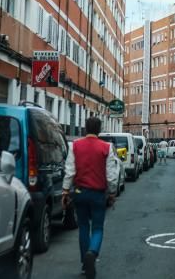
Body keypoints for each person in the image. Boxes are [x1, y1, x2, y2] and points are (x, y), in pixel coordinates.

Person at [62, 117, 119, 279]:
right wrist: (112, 192)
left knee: (83, 227)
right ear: (99, 130)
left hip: (80, 193)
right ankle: (92, 253)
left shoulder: (75, 146)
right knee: (98, 228)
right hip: (98, 194)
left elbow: (70, 171)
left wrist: (65, 191)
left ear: (85, 129)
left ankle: (84, 264)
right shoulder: (106, 147)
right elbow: (111, 175)